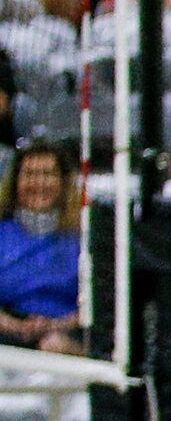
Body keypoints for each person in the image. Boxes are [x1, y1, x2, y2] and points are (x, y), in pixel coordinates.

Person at [0, 142, 80, 354]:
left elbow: (99, 307)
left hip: (66, 335)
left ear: (63, 182)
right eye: (30, 174)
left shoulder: (82, 237)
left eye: (48, 174)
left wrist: (55, 326)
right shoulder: (2, 232)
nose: (39, 183)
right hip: (8, 335)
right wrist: (15, 326)